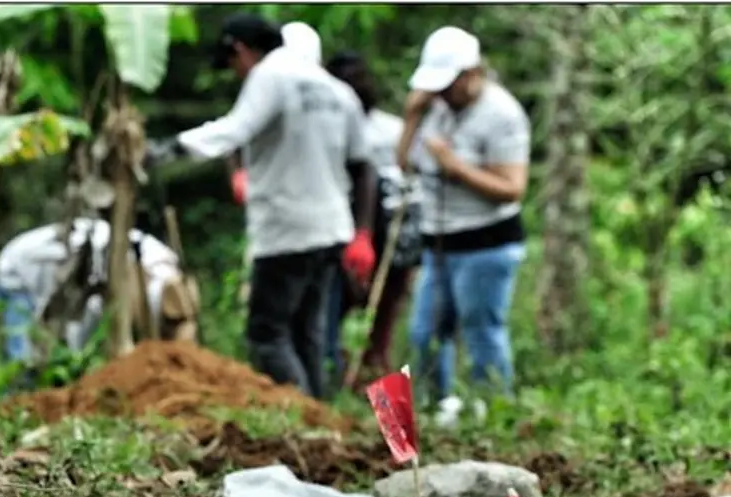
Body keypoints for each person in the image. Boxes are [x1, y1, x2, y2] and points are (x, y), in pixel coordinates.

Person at [148, 14, 375, 400]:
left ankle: (301, 413)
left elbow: (234, 129)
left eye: (232, 64)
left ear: (240, 50)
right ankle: (318, 413)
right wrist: (363, 231)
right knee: (307, 333)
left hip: (287, 228)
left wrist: (168, 149)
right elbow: (363, 163)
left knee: (267, 334)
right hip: (332, 228)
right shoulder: (335, 89)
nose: (237, 74)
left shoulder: (271, 75)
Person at [396, 26, 531, 407]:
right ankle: (437, 408)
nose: (441, 93)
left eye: (447, 85)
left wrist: (455, 167)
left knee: (481, 333)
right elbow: (404, 163)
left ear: (471, 74)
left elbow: (513, 187)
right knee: (424, 334)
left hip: (486, 244)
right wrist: (411, 116)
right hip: (439, 243)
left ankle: (494, 408)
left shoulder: (502, 114)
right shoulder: (436, 109)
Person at [324, 50, 424, 388]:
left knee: (382, 325)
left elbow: (411, 185)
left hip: (390, 239)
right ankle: (338, 380)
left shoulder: (390, 130)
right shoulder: (328, 131)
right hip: (340, 232)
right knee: (334, 315)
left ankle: (377, 389)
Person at [0, 217, 199, 376]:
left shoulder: (165, 265)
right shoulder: (121, 275)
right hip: (19, 270)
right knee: (24, 360)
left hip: (57, 270)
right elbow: (81, 326)